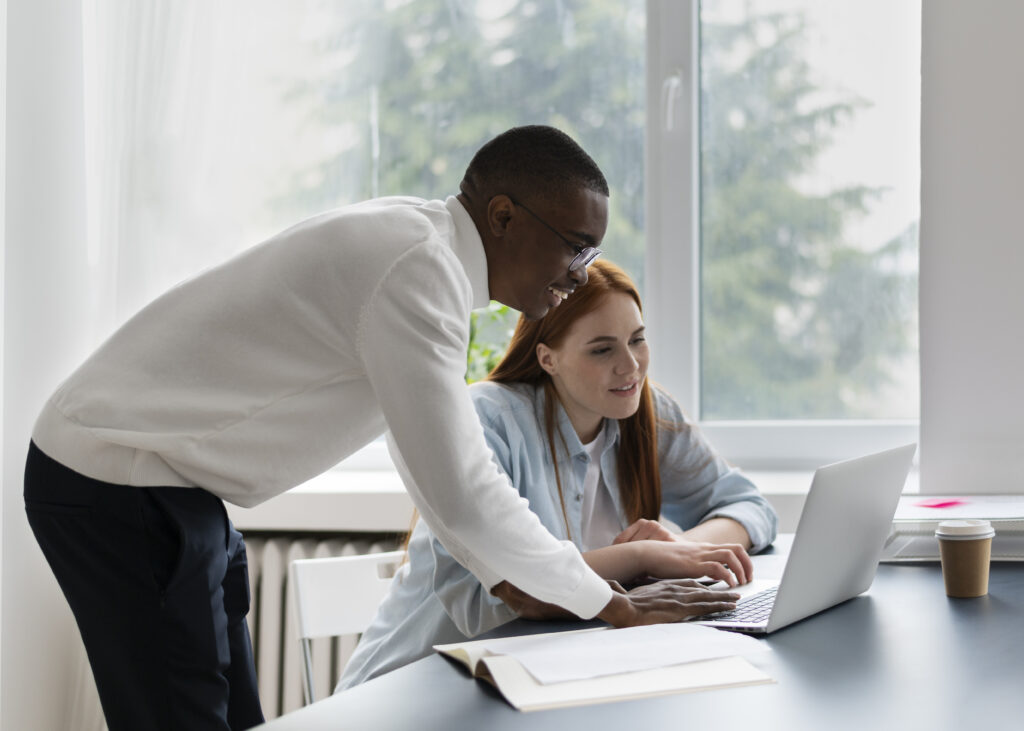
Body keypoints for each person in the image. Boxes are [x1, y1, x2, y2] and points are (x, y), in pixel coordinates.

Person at [23, 126, 740, 731]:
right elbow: (461, 492)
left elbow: (447, 485)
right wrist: (612, 603)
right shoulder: (417, 271)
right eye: (576, 248)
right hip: (111, 473)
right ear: (503, 216)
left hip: (168, 482)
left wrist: (555, 587)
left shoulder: (425, 255)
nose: (582, 275)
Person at [337, 259, 778, 690]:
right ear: (547, 358)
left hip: (532, 679)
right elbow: (496, 596)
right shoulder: (489, 418)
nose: (631, 366)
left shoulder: (643, 409)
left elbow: (749, 506)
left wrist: (683, 550)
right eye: (603, 349)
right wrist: (641, 556)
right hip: (411, 689)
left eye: (637, 340)